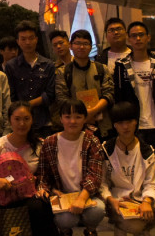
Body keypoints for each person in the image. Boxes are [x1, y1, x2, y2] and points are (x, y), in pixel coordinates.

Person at [113, 21, 155, 225]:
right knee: (136, 169)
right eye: (133, 35)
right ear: (129, 39)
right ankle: (136, 206)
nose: (138, 38)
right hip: (134, 126)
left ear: (148, 37)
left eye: (141, 34)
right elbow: (119, 96)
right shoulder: (122, 65)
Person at [0, 101, 58, 236]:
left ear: (32, 120)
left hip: (29, 194)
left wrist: (43, 188)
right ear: (10, 120)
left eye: (26, 119)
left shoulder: (39, 145)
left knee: (40, 206)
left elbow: (45, 175)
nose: (22, 123)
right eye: (17, 119)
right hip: (3, 195)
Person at [101, 102, 155, 236]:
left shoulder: (146, 150)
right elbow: (102, 183)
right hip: (118, 200)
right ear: (114, 125)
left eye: (129, 121)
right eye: (120, 123)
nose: (125, 126)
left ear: (136, 122)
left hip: (140, 198)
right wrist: (110, 199)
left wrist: (147, 202)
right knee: (135, 226)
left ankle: (136, 228)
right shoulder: (107, 149)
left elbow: (151, 182)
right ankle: (134, 228)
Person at [37, 99, 106, 236]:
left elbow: (95, 175)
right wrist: (49, 190)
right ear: (61, 119)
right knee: (66, 219)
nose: (72, 121)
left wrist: (81, 198)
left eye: (78, 117)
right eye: (67, 117)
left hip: (87, 195)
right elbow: (43, 175)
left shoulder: (91, 140)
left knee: (97, 211)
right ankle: (65, 231)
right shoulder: (50, 142)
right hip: (62, 195)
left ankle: (90, 230)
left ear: (85, 119)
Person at [55, 30, 114, 139]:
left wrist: (92, 112)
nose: (81, 47)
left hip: (102, 124)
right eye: (77, 43)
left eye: (85, 44)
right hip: (75, 125)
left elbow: (109, 94)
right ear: (70, 46)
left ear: (91, 47)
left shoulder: (101, 68)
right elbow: (62, 99)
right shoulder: (63, 72)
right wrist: (83, 115)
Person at [5, 20, 56, 137]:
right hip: (20, 124)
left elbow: (50, 95)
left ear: (36, 39)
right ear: (18, 41)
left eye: (31, 38)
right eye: (23, 39)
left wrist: (27, 104)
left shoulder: (48, 65)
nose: (27, 42)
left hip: (44, 123)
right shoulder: (11, 66)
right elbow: (11, 95)